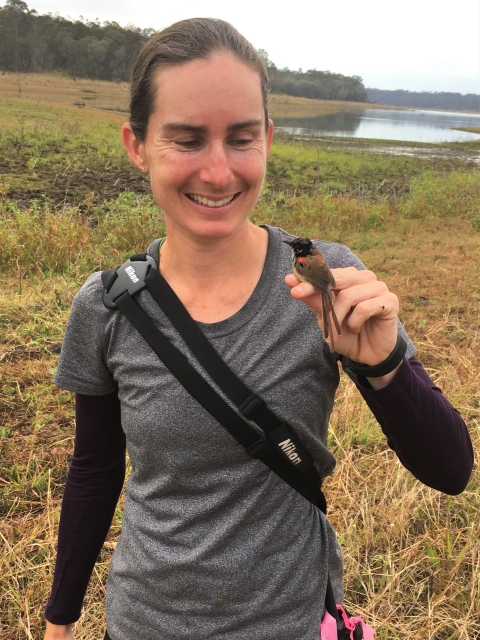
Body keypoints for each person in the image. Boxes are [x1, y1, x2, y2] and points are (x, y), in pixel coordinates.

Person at [43, 18, 473, 640]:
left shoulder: (322, 279)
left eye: (241, 139)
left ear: (269, 139)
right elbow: (95, 468)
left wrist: (384, 366)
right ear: (137, 145)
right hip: (141, 624)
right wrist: (60, 620)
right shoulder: (107, 306)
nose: (218, 173)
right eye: (186, 140)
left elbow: (451, 470)